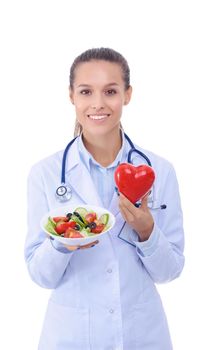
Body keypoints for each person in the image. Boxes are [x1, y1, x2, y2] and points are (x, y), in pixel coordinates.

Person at [25, 47, 185, 350]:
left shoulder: (158, 170)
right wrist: (63, 242)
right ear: (72, 96)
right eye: (86, 91)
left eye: (110, 91)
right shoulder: (45, 174)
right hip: (71, 336)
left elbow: (170, 270)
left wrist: (147, 231)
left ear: (127, 94)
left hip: (141, 334)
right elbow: (40, 275)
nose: (98, 104)